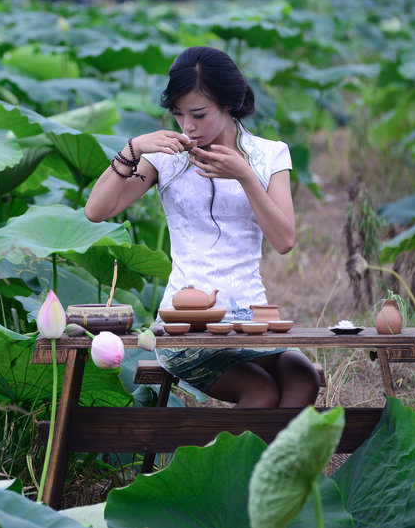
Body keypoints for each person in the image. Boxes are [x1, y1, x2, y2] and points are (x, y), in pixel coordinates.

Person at [84, 46, 320, 408]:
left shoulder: (269, 155)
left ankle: (275, 465)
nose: (188, 126)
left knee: (302, 378)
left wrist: (244, 175)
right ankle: (240, 464)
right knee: (261, 393)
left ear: (228, 104)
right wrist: (131, 149)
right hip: (184, 326)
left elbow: (284, 240)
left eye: (198, 114)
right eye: (178, 114)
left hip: (252, 321)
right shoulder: (164, 157)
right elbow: (96, 211)